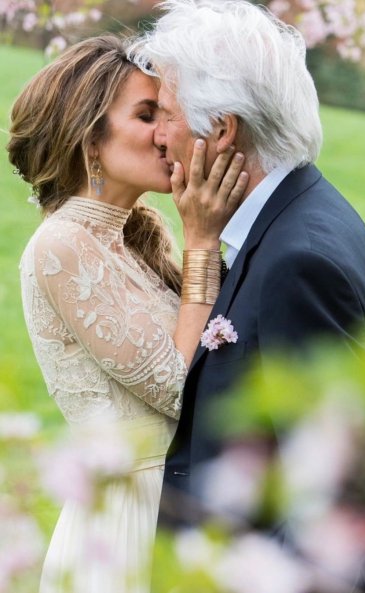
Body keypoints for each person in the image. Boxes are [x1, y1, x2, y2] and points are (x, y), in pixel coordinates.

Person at [128, 0, 365, 589]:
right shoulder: (299, 220)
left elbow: (331, 505)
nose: (157, 137)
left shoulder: (300, 262)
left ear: (220, 129)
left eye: (163, 113)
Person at [7, 34, 248, 593]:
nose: (168, 135)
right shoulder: (60, 247)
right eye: (147, 115)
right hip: (127, 526)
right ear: (91, 138)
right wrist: (202, 243)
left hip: (178, 508)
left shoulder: (136, 239)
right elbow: (173, 386)